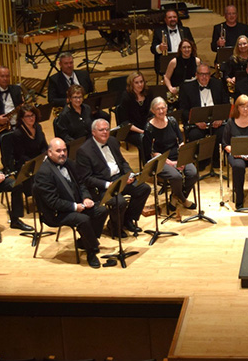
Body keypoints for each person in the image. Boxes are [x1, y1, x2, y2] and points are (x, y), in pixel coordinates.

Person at [33, 138, 108, 269]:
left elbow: (81, 183)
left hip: (76, 203)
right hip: (57, 213)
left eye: (64, 150)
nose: (62, 153)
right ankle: (91, 251)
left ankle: (85, 242)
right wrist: (74, 207)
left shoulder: (68, 163)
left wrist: (85, 197)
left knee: (102, 210)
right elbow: (52, 202)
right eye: (58, 151)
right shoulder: (44, 173)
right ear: (49, 153)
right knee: (83, 219)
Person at [76, 119, 150, 236]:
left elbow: (122, 162)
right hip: (102, 186)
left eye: (107, 129)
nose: (105, 132)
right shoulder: (84, 151)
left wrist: (129, 174)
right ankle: (115, 227)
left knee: (144, 188)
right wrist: (107, 185)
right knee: (119, 202)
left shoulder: (112, 141)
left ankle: (127, 220)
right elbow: (86, 178)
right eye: (101, 130)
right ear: (93, 132)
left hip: (120, 179)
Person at [142, 97, 198, 212]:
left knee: (193, 173)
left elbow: (181, 141)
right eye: (158, 109)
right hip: (161, 160)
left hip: (177, 156)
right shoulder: (149, 128)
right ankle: (183, 199)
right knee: (176, 177)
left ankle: (174, 196)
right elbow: (151, 152)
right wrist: (171, 163)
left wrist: (182, 158)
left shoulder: (172, 121)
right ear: (152, 111)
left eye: (163, 108)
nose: (161, 111)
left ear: (167, 109)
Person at [9, 104, 46, 225]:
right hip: (25, 165)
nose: (31, 118)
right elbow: (20, 155)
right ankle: (43, 208)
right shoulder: (18, 134)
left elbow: (44, 146)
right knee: (39, 177)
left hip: (39, 161)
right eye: (27, 116)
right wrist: (36, 162)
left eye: (32, 115)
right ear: (22, 119)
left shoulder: (38, 128)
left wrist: (44, 157)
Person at [178, 62, 230, 150]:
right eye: (201, 74)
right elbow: (183, 110)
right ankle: (201, 163)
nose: (204, 77)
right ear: (196, 75)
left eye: (206, 74)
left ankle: (216, 162)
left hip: (216, 123)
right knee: (195, 135)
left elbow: (226, 103)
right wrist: (195, 121)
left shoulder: (218, 84)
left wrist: (221, 119)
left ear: (210, 75)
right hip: (197, 125)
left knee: (223, 133)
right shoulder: (187, 88)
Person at [150, 8, 195, 77]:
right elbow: (153, 49)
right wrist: (159, 48)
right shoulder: (158, 32)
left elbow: (193, 46)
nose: (172, 19)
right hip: (167, 64)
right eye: (170, 17)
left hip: (185, 62)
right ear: (165, 19)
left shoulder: (185, 30)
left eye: (174, 17)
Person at [118, 71, 152, 150]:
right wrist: (142, 132)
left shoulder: (148, 93)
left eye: (141, 81)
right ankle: (147, 161)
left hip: (146, 126)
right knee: (145, 140)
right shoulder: (126, 97)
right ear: (131, 84)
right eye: (137, 83)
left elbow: (151, 112)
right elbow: (125, 123)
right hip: (132, 131)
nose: (140, 85)